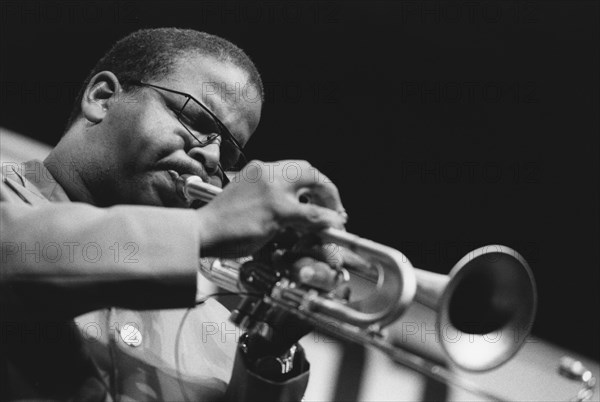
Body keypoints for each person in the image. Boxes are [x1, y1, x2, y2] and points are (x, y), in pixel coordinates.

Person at [0, 28, 348, 401]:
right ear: (102, 98)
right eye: (195, 120)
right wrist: (205, 227)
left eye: (229, 154)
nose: (212, 158)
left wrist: (269, 348)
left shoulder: (217, 332)